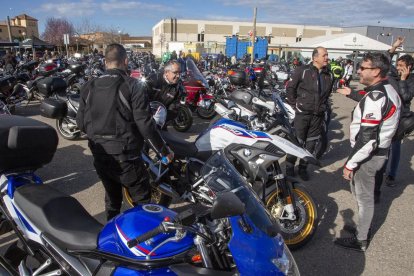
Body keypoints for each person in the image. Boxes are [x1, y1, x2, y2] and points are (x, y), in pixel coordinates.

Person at [76, 43, 173, 221]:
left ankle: (111, 238)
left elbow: (80, 124)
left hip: (101, 156)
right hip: (127, 159)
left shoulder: (89, 86)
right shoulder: (133, 85)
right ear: (126, 61)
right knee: (143, 205)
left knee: (112, 200)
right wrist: (164, 151)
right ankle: (143, 242)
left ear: (105, 62)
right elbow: (145, 124)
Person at [335, 52, 401, 252]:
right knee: (363, 195)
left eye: (363, 68)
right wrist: (352, 94)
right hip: (378, 152)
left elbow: (368, 138)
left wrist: (350, 164)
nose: (358, 71)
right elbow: (370, 100)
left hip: (369, 155)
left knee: (364, 198)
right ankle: (362, 228)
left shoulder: (376, 96)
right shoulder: (387, 88)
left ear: (377, 71)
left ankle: (361, 239)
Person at [285, 46, 333, 181]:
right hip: (302, 114)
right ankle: (289, 167)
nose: (326, 58)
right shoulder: (302, 70)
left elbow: (327, 94)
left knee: (311, 143)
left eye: (327, 55)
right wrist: (296, 106)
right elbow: (290, 89)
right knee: (297, 142)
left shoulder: (328, 74)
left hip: (317, 115)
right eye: (324, 55)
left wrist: (323, 107)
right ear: (315, 57)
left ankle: (303, 168)